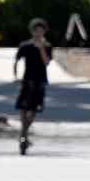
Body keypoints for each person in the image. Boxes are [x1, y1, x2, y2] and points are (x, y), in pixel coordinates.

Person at [13, 19, 52, 155]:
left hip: (40, 81)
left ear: (44, 31)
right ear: (32, 31)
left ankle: (23, 135)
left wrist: (41, 48)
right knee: (23, 109)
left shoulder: (47, 46)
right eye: (36, 30)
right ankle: (24, 136)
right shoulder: (25, 46)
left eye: (41, 30)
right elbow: (17, 61)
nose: (38, 32)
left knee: (34, 110)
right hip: (26, 81)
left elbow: (46, 62)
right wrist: (16, 76)